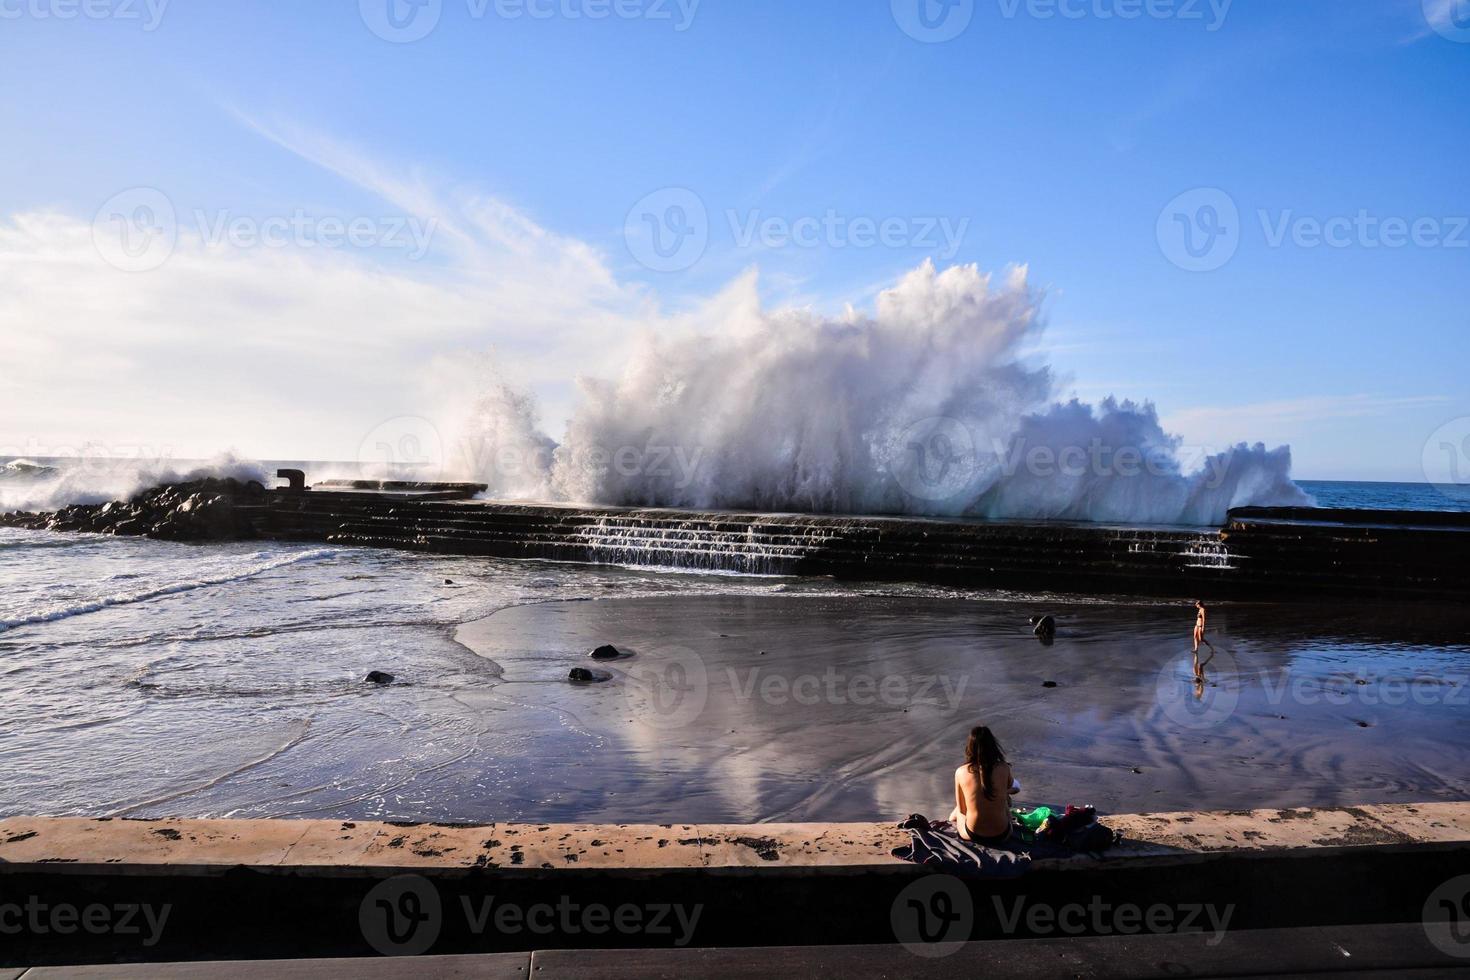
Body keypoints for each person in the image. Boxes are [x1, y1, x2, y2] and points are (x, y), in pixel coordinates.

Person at [949, 725, 1018, 846]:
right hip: (1003, 834)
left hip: (973, 834)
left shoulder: (961, 771)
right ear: (993, 745)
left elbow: (962, 810)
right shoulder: (1003, 767)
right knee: (1004, 800)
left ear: (970, 747)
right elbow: (1012, 788)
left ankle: (951, 819)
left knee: (957, 811)